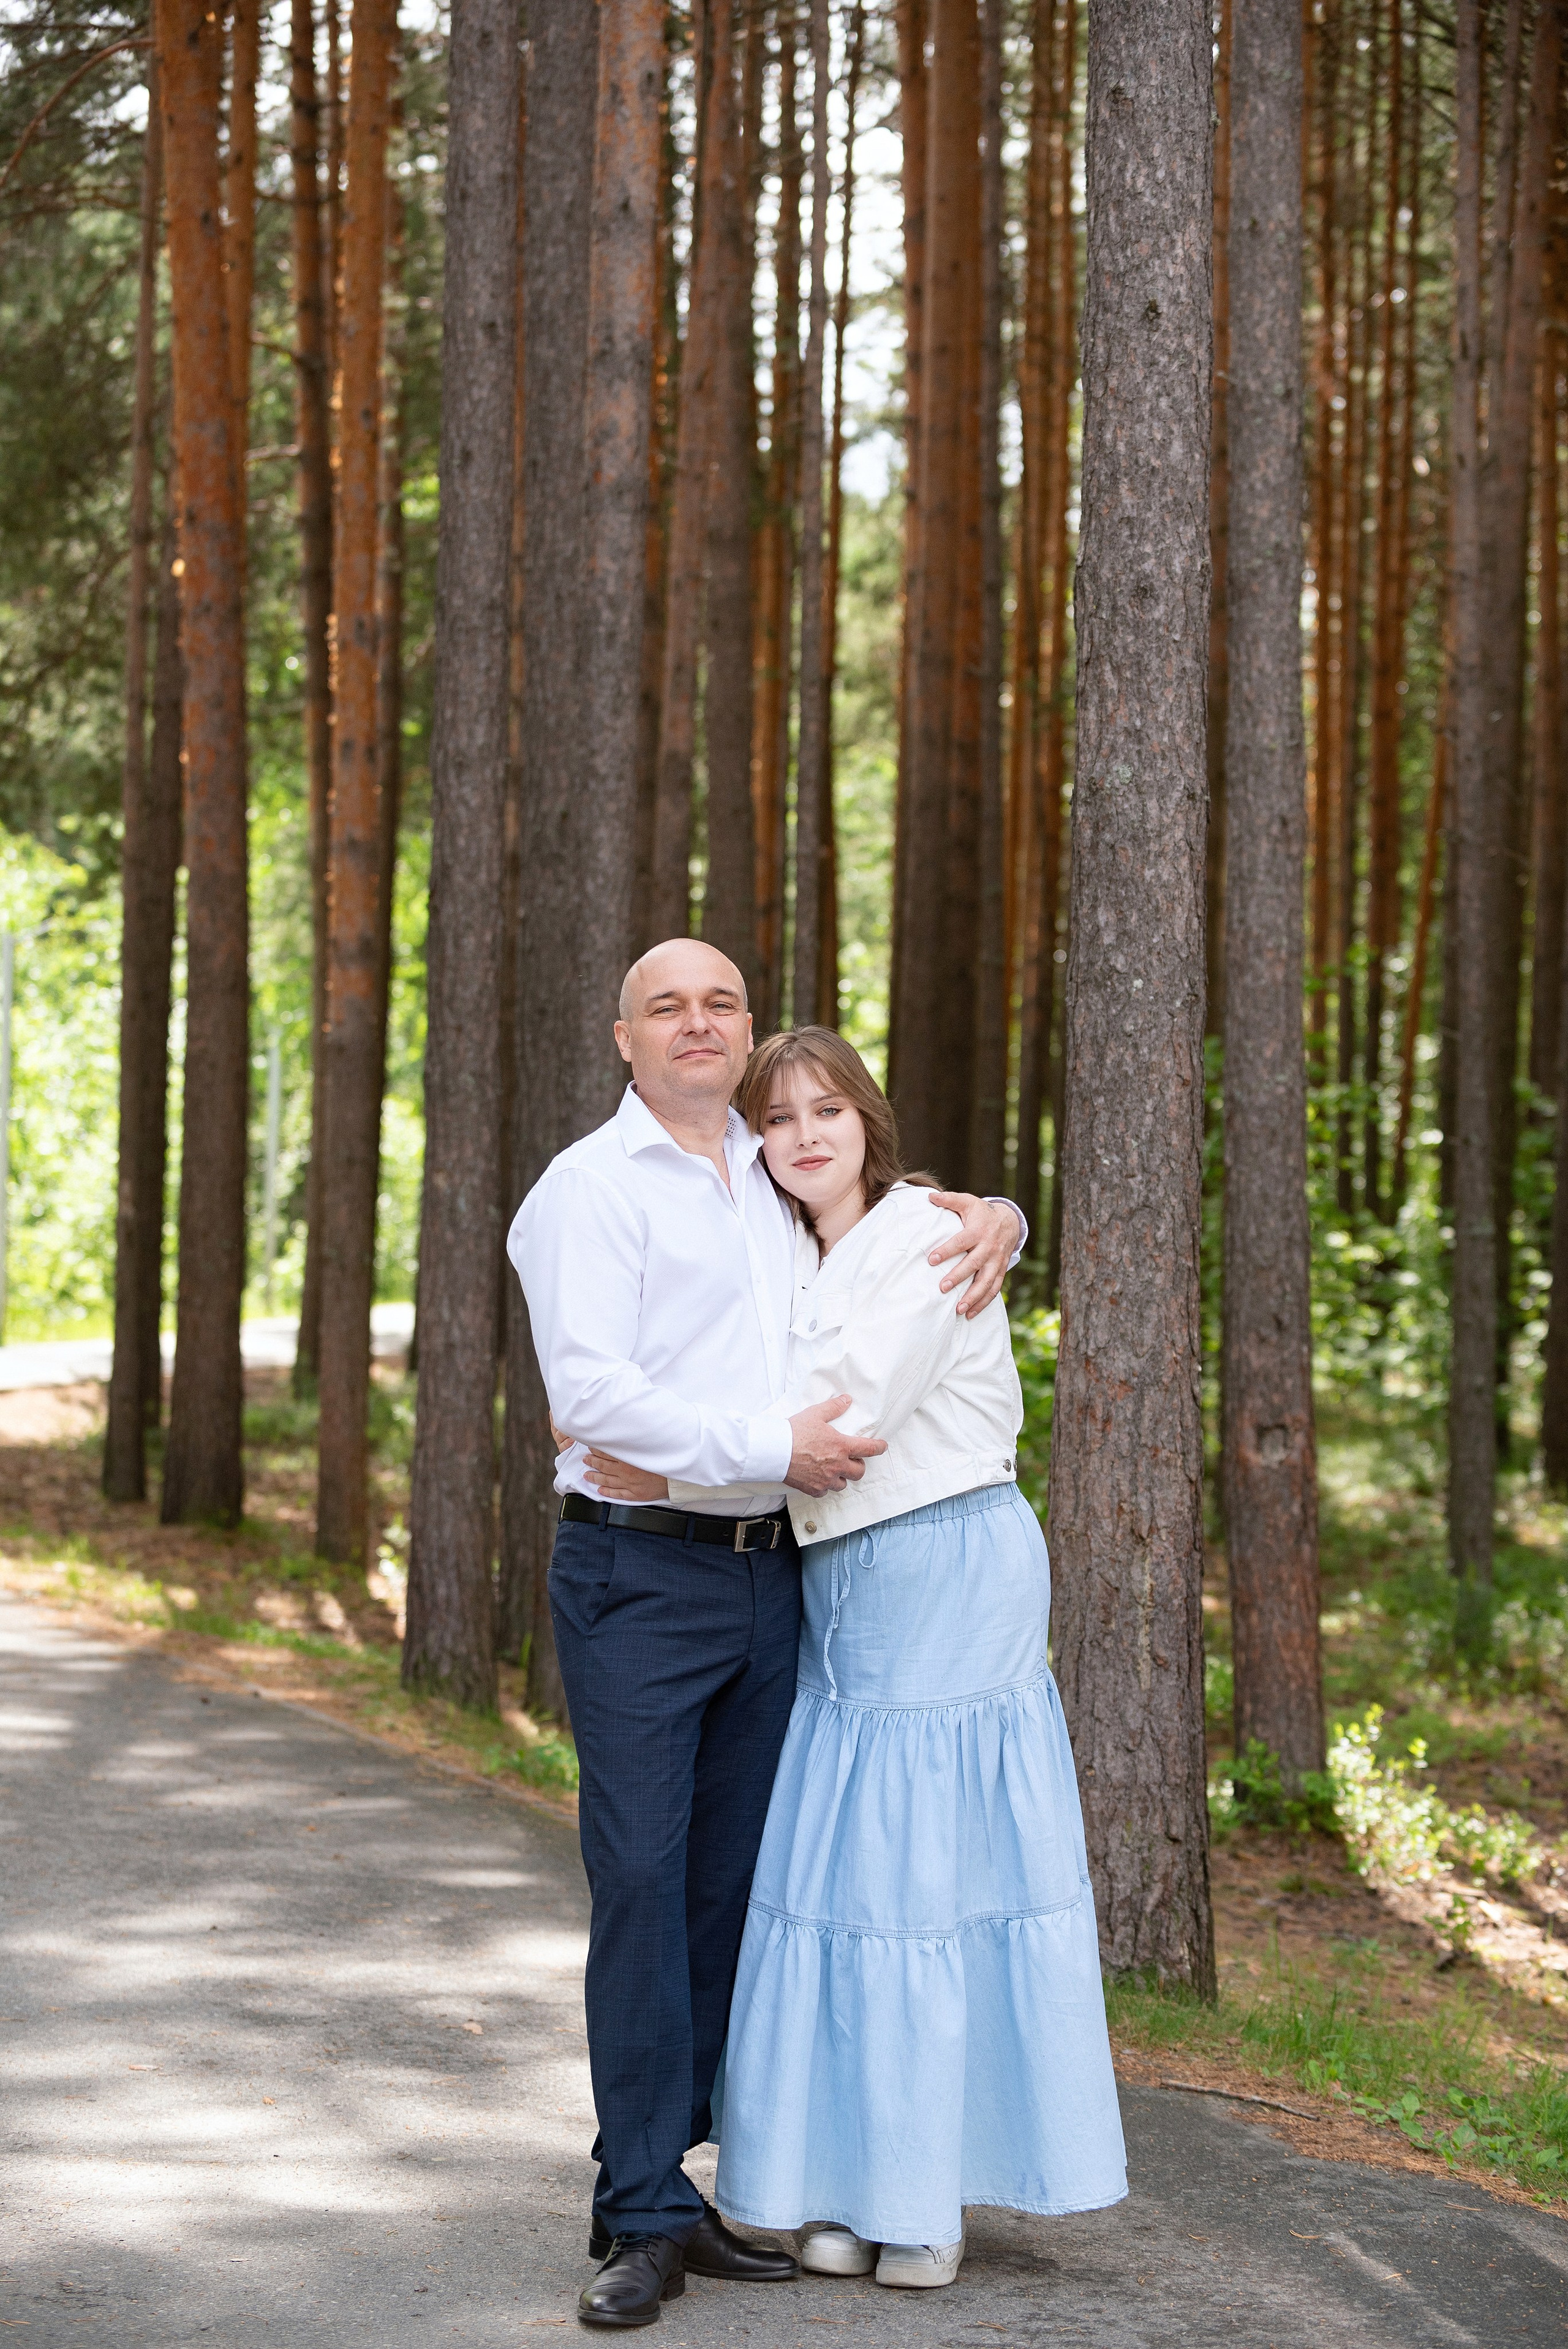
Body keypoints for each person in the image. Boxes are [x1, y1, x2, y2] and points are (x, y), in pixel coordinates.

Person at [507, 940, 1025, 2330]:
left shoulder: (769, 1176)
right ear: (624, 1038)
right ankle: (636, 2215)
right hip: (637, 1578)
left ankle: (684, 2180)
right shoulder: (588, 1188)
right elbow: (591, 1392)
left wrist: (1000, 1213)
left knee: (735, 1890)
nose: (697, 1023)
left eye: (719, 1002)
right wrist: (757, 1445)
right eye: (666, 1005)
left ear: (741, 1033)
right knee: (638, 1876)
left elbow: (890, 1238)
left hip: (775, 1580)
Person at [581, 1025, 1126, 2293]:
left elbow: (854, 1422)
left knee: (921, 1882)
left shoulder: (925, 1236)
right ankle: (846, 2178)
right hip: (836, 1587)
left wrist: (661, 1463)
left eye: (826, 1110)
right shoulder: (785, 1251)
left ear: (867, 1124)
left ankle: (920, 2197)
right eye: (776, 1120)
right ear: (752, 1145)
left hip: (943, 1566)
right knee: (836, 1878)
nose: (803, 1136)